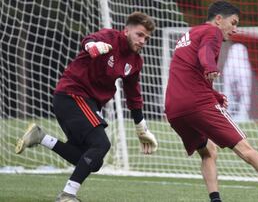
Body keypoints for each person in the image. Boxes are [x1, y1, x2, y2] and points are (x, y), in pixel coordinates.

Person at [164, 1, 258, 202]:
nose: (235, 29)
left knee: (208, 151)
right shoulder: (213, 32)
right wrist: (211, 66)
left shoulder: (191, 33)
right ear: (219, 19)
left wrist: (215, 95)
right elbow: (205, 55)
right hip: (196, 104)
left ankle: (215, 200)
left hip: (174, 109)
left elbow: (190, 74)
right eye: (233, 23)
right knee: (245, 148)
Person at [15, 12, 158, 202]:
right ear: (126, 30)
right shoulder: (110, 37)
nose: (142, 41)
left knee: (93, 160)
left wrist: (141, 128)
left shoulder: (135, 62)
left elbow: (133, 95)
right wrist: (93, 46)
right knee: (101, 144)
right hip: (72, 95)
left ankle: (41, 137)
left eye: (146, 38)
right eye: (139, 35)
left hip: (85, 103)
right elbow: (89, 40)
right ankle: (67, 195)